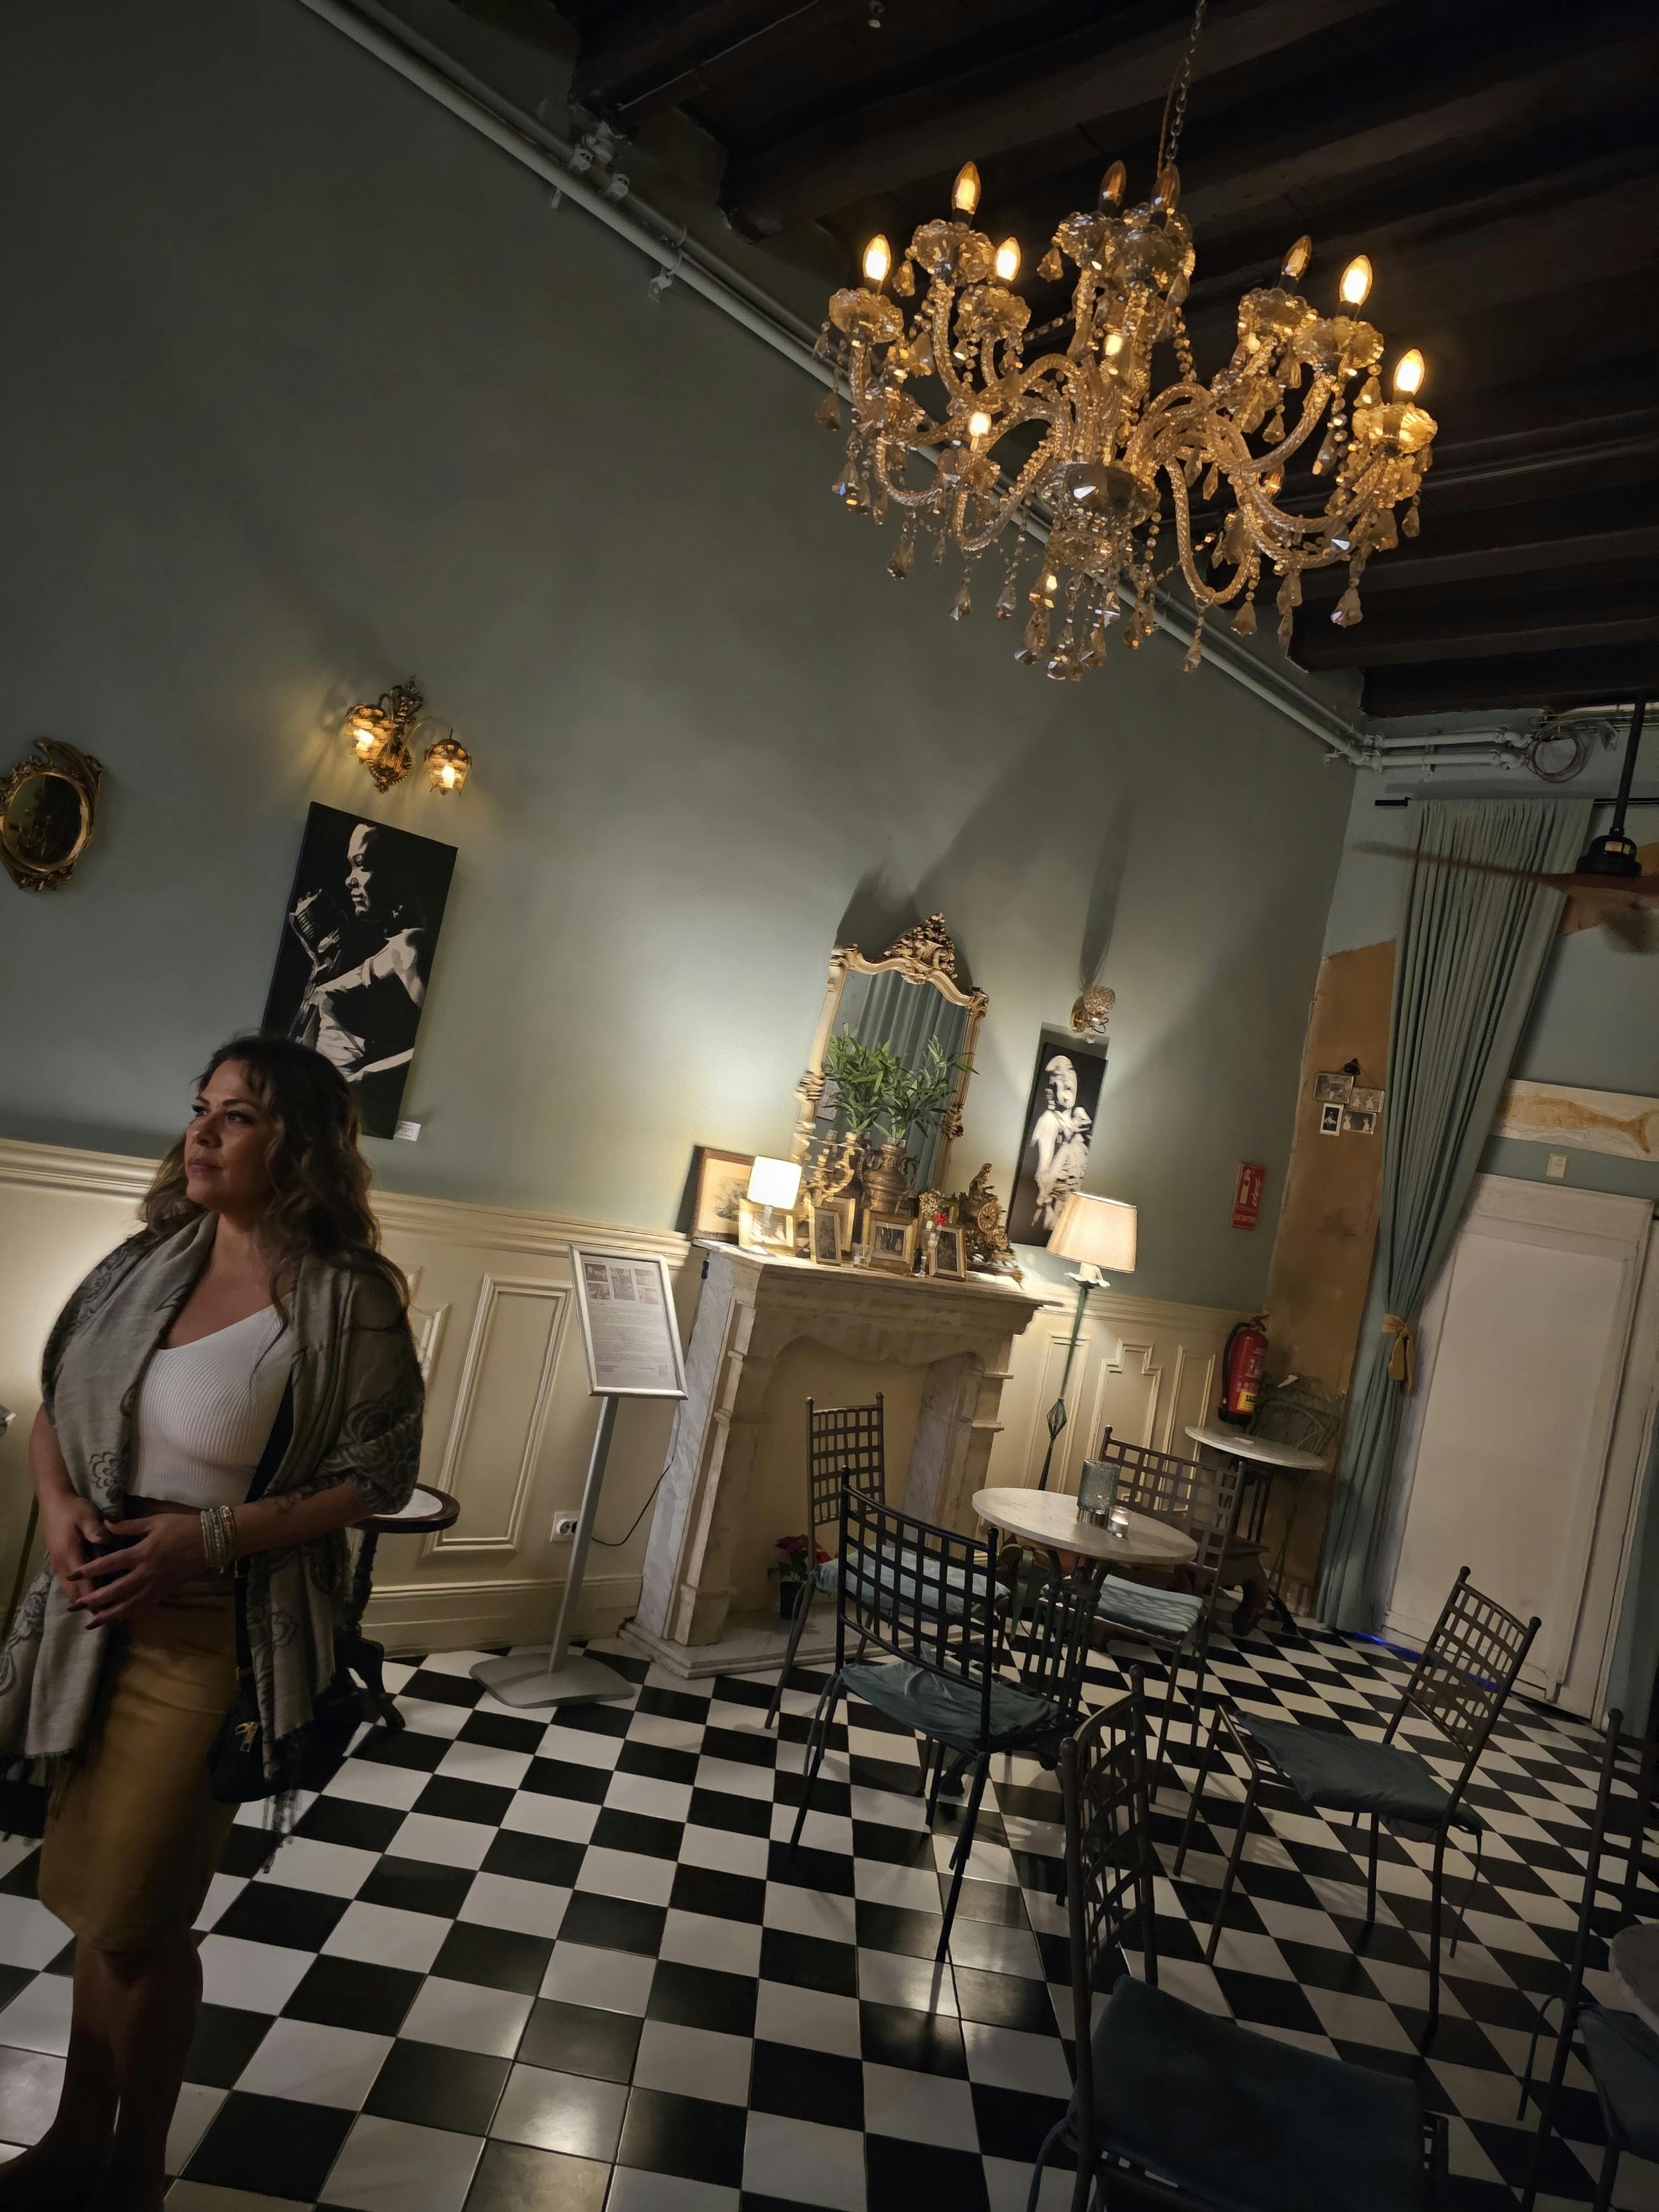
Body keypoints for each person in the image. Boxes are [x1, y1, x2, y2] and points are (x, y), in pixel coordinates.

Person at [0, 1035, 422, 2211]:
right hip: (91, 1618)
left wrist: (211, 1537)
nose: (201, 1133)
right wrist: (59, 1507)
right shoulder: (149, 1260)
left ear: (300, 1144)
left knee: (138, 1920)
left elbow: (380, 1473)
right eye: (201, 1108)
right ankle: (77, 2141)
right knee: (101, 1910)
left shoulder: (345, 1297)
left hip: (208, 1635)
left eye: (237, 1116)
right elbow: (61, 1396)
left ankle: (134, 2169)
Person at [286, 821, 433, 1135]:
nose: (349, 879)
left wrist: (363, 1079)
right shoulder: (390, 949)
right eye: (350, 865)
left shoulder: (409, 948)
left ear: (396, 872)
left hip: (344, 1115)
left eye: (362, 865)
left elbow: (440, 1050)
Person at [1023, 1052, 1093, 1234]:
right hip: (1051, 1219)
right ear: (1050, 1091)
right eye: (1059, 1075)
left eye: (1070, 1071)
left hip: (1070, 1220)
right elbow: (1044, 1182)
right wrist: (1068, 1143)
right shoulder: (1049, 1121)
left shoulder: (1078, 1122)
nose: (1067, 1078)